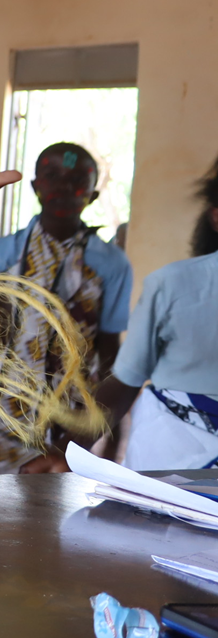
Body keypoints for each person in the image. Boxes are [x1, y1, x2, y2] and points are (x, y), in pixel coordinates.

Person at [0, 142, 132, 474]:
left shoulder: (110, 265)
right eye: (52, 175)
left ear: (93, 195)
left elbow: (110, 357)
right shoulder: (4, 254)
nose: (64, 186)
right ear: (35, 187)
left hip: (68, 423)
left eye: (77, 179)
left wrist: (102, 438)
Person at [82, 156, 218, 470]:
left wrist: (67, 447)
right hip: (171, 462)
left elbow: (126, 380)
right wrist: (68, 448)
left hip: (167, 466)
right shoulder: (172, 285)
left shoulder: (172, 283)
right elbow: (126, 381)